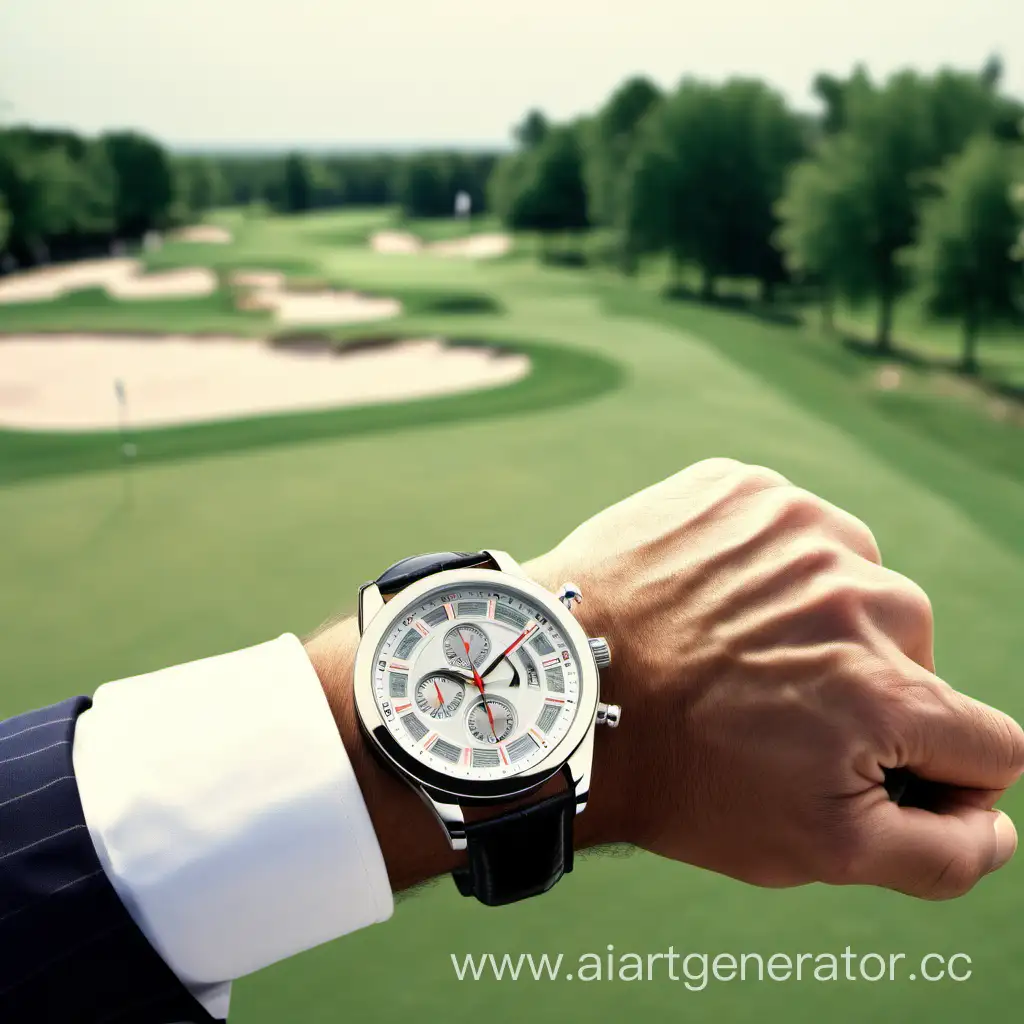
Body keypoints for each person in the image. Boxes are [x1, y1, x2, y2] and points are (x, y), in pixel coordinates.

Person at [1, 459, 1021, 1023]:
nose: (481, 680)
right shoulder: (554, 687)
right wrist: (611, 667)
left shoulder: (529, 676)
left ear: (595, 705)